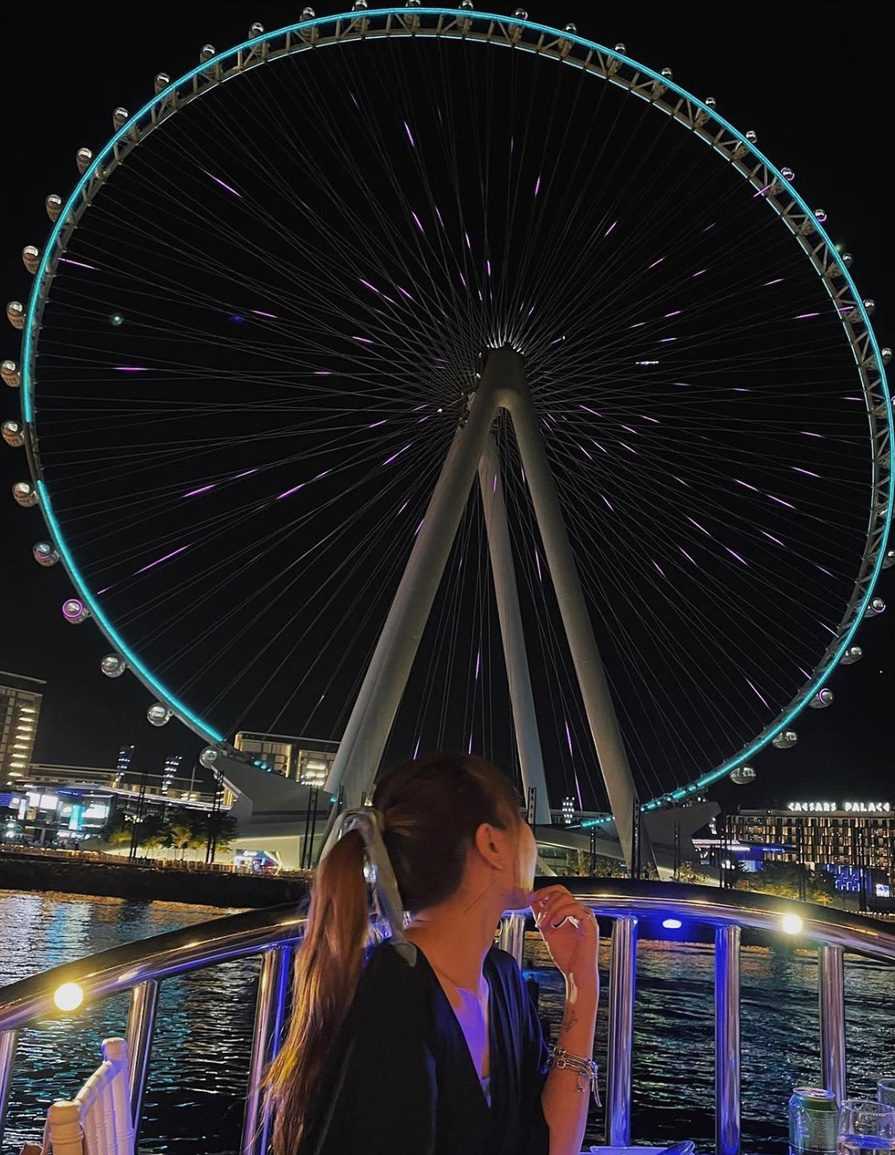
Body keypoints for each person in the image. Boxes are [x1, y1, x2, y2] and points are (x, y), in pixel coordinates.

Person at [265, 753, 599, 1155]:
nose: (533, 838)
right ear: (491, 844)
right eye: (521, 820)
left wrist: (582, 983)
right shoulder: (393, 997)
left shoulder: (501, 978)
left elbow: (550, 1146)